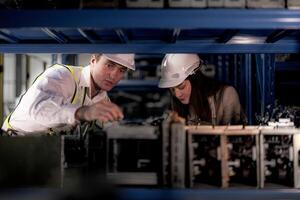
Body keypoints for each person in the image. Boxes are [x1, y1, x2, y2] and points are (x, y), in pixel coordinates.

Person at [2, 54, 135, 135]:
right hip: (14, 144)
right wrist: (82, 112)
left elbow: (107, 129)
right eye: (109, 65)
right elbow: (38, 110)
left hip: (49, 150)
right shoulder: (62, 75)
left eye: (121, 70)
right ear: (93, 61)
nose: (114, 75)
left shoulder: (102, 98)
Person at [158, 53, 245, 125]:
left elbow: (235, 137)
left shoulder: (226, 95)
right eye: (172, 89)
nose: (177, 94)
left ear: (195, 80)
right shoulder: (178, 104)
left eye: (181, 86)